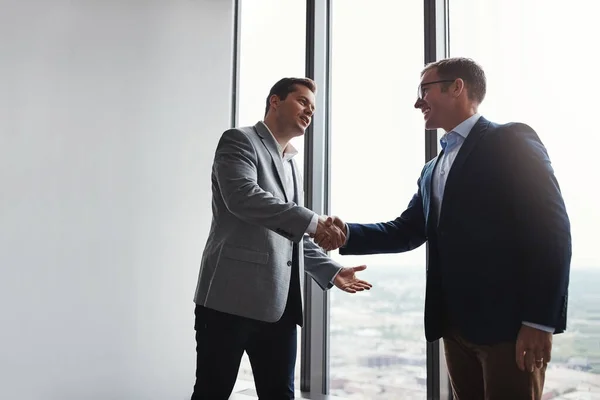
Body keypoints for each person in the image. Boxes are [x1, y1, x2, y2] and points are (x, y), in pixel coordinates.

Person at [316, 58, 571, 400]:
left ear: (457, 87)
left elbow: (551, 229)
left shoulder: (510, 139)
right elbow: (405, 231)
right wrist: (346, 232)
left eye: (424, 90)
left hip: (508, 329)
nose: (418, 101)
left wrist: (540, 321)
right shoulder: (432, 169)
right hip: (454, 327)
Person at [191, 77, 372, 400]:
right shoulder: (239, 140)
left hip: (279, 306)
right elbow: (244, 198)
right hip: (228, 301)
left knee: (280, 395)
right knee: (211, 392)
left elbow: (289, 234)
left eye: (313, 109)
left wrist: (331, 270)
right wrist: (316, 223)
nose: (309, 112)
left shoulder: (290, 164)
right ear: (275, 101)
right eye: (302, 102)